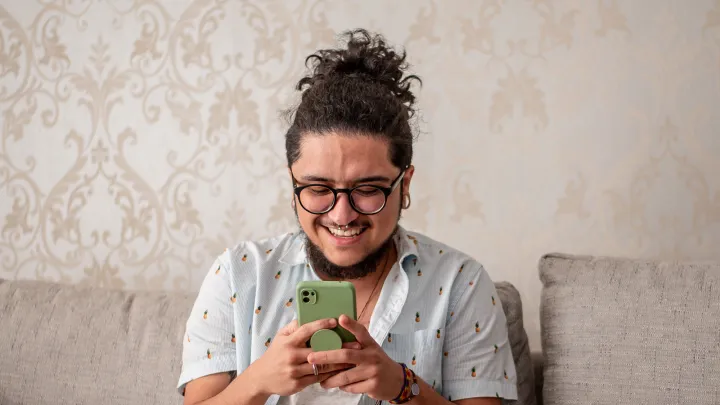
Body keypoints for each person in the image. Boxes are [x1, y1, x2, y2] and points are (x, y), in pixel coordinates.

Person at [177, 28, 518, 405]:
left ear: (404, 185)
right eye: (319, 189)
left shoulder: (460, 285)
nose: (342, 214)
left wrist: (402, 385)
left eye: (368, 190)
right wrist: (259, 380)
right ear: (292, 183)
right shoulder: (237, 275)